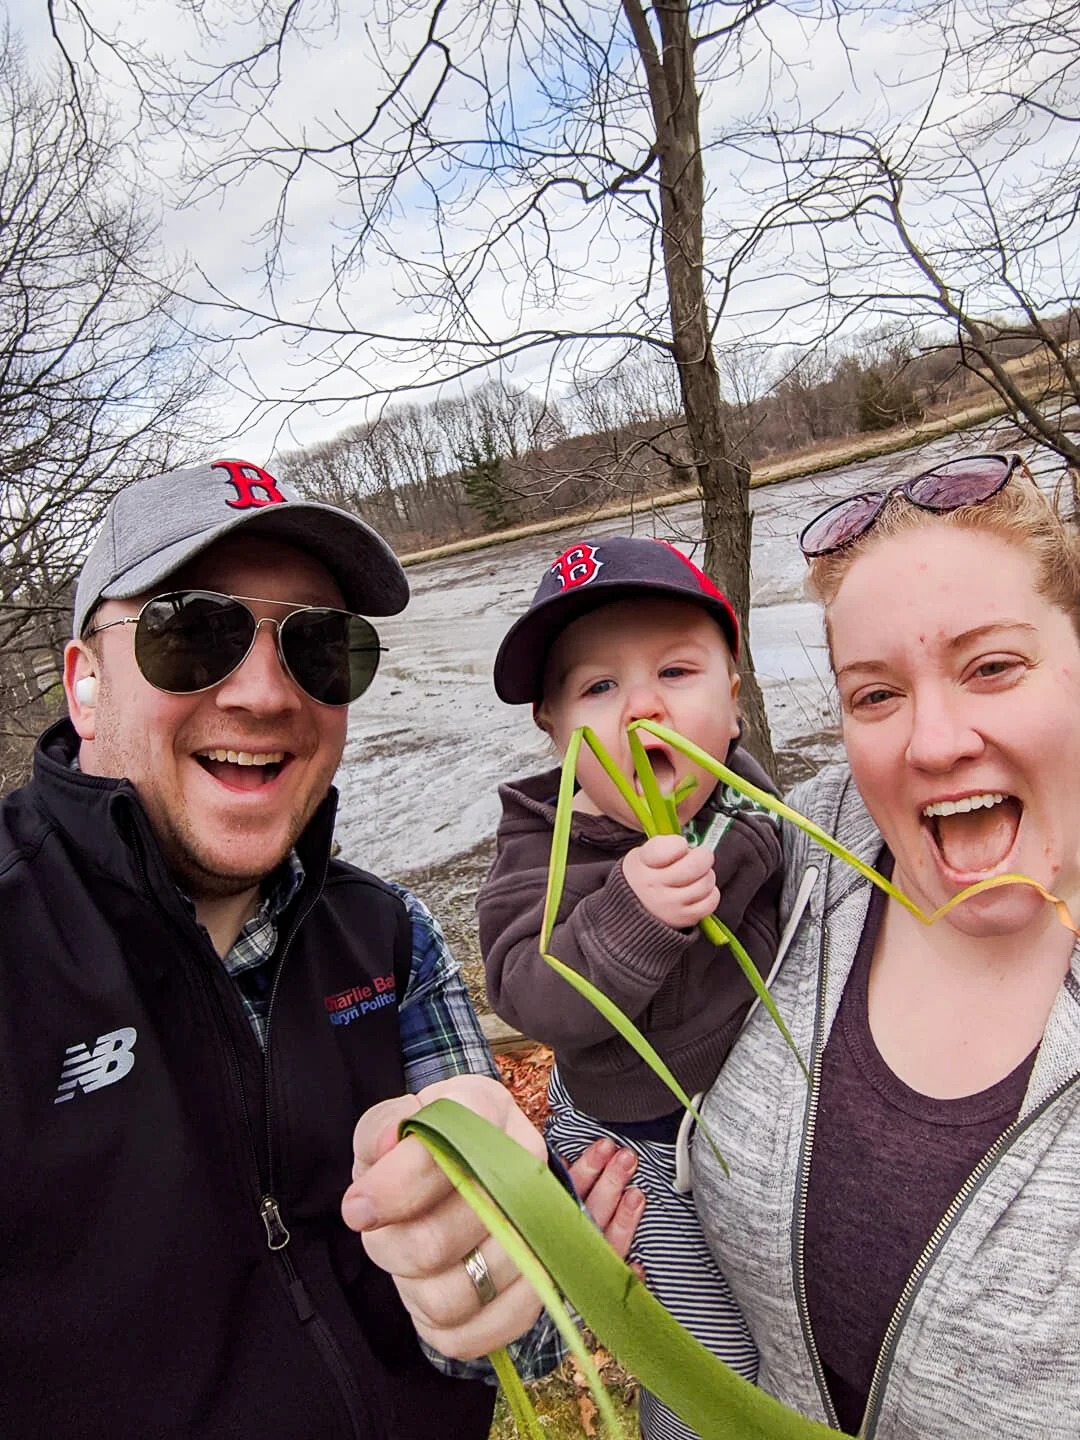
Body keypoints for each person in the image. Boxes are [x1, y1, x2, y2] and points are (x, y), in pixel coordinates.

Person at [0, 457, 640, 1439]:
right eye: (193, 632)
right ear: (85, 686)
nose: (265, 693)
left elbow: (524, 1344)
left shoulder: (392, 940)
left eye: (320, 645)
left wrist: (510, 1239)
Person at [691, 453, 1080, 1438]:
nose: (935, 742)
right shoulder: (798, 852)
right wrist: (492, 1146)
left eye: (992, 666)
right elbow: (621, 1063)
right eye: (875, 696)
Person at [477, 535, 784, 1440]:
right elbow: (521, 987)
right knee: (707, 1361)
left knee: (794, 1318)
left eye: (677, 671)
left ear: (734, 694)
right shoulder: (540, 846)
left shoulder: (754, 800)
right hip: (640, 1146)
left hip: (751, 1112)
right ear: (554, 727)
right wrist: (633, 916)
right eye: (597, 687)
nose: (643, 706)